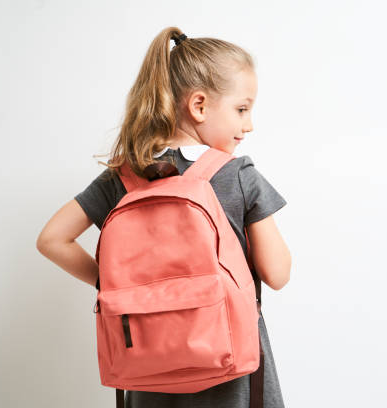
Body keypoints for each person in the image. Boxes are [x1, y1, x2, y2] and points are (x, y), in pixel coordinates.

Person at [36, 26, 292, 408]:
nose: (248, 124)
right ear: (199, 105)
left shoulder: (123, 176)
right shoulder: (238, 175)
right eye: (242, 108)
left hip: (150, 367)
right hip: (231, 367)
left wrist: (111, 283)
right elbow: (277, 274)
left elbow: (52, 239)